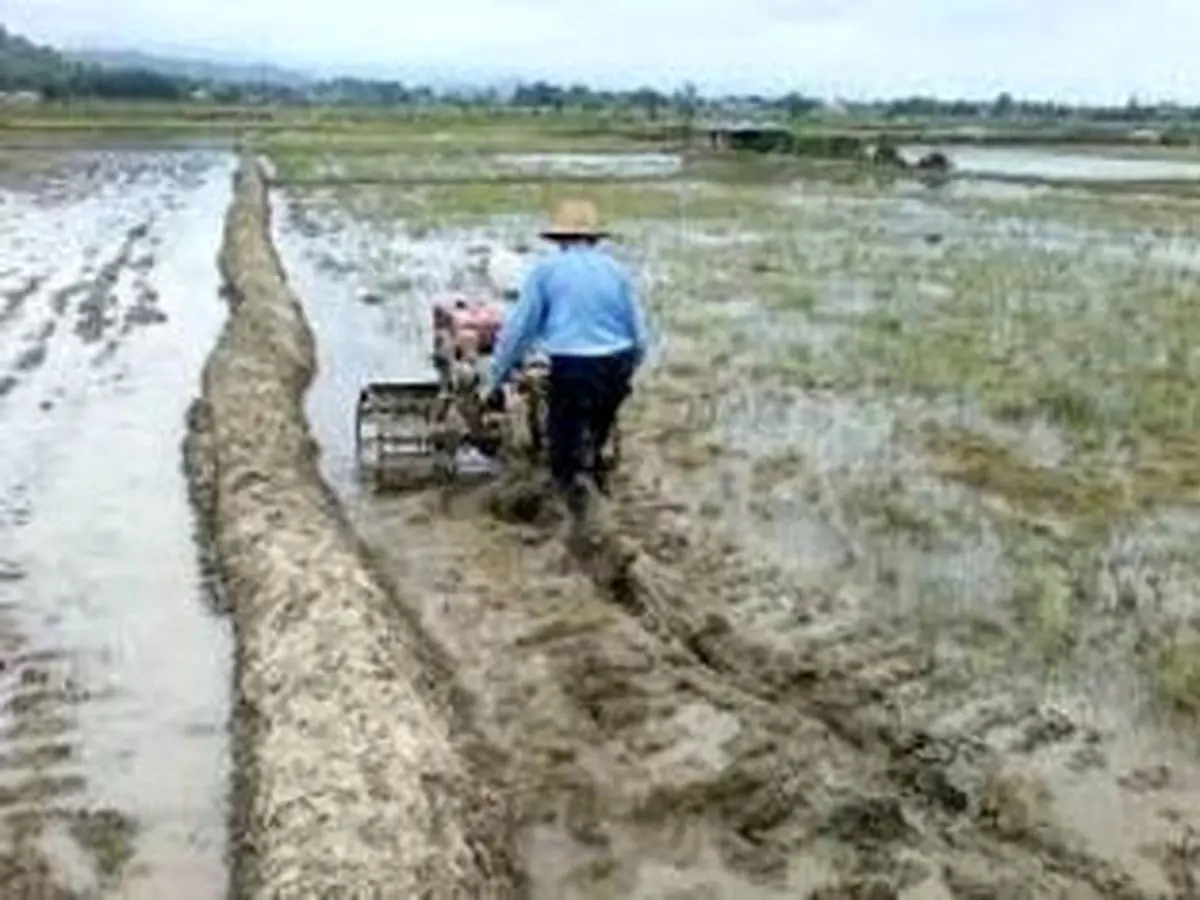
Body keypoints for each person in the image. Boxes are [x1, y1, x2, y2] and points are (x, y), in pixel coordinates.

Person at [484, 198, 649, 516]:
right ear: (594, 238)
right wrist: (627, 370)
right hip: (617, 364)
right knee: (595, 435)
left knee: (564, 452)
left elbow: (520, 330)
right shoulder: (617, 271)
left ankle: (578, 522)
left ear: (558, 239)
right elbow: (639, 334)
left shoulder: (546, 271)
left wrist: (496, 376)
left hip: (574, 367)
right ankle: (594, 482)